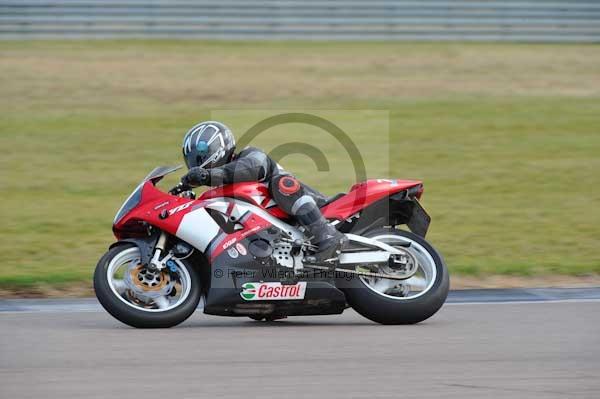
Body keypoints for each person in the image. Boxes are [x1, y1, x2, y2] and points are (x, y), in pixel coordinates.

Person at [178, 121, 346, 265]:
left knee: (283, 184)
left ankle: (326, 235)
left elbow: (250, 168)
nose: (196, 163)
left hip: (318, 208)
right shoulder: (219, 192)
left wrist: (208, 176)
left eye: (200, 154)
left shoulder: (251, 156)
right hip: (280, 232)